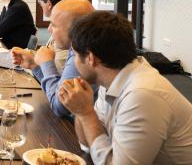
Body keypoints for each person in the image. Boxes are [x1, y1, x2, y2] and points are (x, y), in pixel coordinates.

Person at [59, 11, 192, 164]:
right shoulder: (110, 79)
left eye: (75, 55)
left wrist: (86, 112)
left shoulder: (142, 94)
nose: (74, 62)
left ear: (90, 58)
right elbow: (89, 145)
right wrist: (80, 112)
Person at [10, 0, 94, 117]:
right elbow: (57, 91)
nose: (49, 29)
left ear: (76, 31)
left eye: (54, 25)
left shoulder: (81, 55)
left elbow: (59, 107)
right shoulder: (74, 49)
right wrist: (34, 66)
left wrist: (47, 63)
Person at [34, 0, 74, 71]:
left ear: (49, 4)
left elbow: (57, 82)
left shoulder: (64, 37)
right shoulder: (68, 24)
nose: (49, 29)